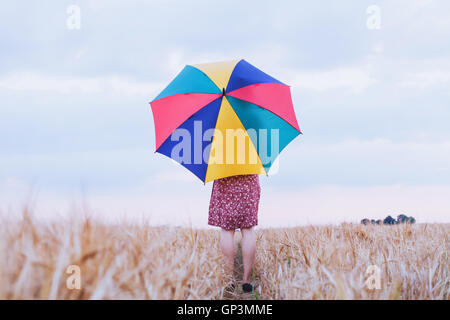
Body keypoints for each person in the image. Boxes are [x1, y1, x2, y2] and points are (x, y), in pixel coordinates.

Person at [208, 174, 261, 293]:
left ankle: (229, 280)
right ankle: (246, 281)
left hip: (224, 176)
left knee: (227, 230)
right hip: (249, 177)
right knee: (248, 230)